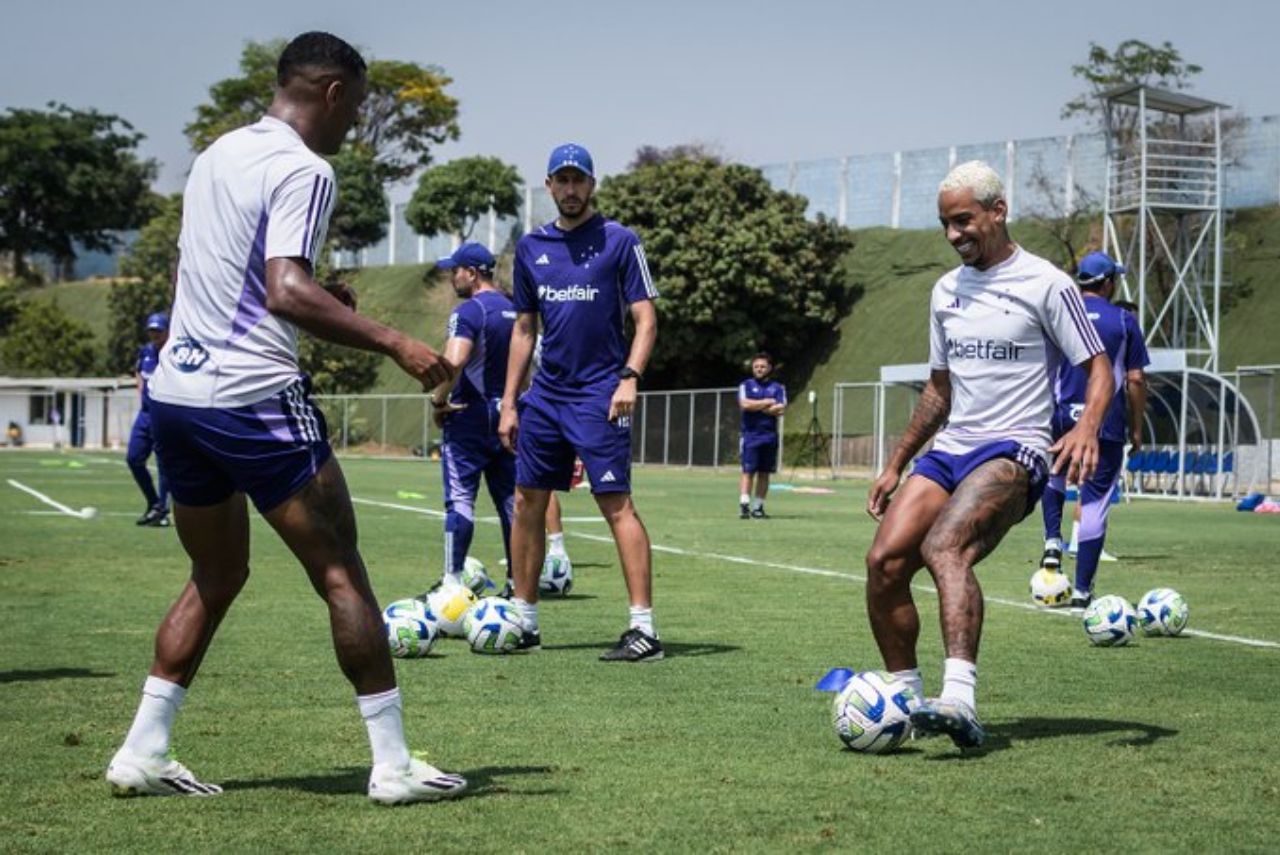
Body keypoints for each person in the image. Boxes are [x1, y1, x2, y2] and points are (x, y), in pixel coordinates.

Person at [105, 32, 466, 805]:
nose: (354, 125)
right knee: (340, 570)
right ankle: (394, 765)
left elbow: (223, 273)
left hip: (177, 394)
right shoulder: (306, 167)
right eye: (357, 108)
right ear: (333, 94)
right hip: (253, 399)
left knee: (217, 571)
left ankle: (142, 749)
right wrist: (400, 341)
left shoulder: (215, 155)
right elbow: (282, 289)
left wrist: (321, 300)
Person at [864, 161, 1114, 748]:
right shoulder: (945, 291)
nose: (954, 235)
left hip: (1015, 448)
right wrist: (897, 461)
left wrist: (1089, 429)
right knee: (885, 563)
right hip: (951, 448)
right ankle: (905, 696)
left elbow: (1097, 365)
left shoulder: (1046, 283)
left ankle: (960, 701)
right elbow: (938, 389)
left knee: (945, 547)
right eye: (946, 225)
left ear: (997, 211)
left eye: (963, 220)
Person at [498, 142, 663, 662]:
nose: (570, 189)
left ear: (592, 185)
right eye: (561, 180)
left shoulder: (621, 241)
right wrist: (509, 402)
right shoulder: (531, 248)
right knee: (528, 501)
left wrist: (629, 377)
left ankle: (644, 630)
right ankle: (524, 619)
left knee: (616, 505)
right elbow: (524, 329)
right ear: (548, 186)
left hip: (599, 393)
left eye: (579, 180)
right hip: (545, 396)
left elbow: (646, 318)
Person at [1039, 252, 1149, 605]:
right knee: (1095, 502)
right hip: (1104, 422)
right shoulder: (1123, 320)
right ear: (1107, 282)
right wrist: (1136, 429)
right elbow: (1135, 379)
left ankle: (1052, 539)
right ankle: (1083, 591)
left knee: (1054, 477)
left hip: (1058, 417)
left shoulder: (1060, 315)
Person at [428, 242, 516, 591]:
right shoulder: (513, 309)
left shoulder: (469, 312)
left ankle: (451, 584)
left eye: (455, 270)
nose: (452, 277)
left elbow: (455, 360)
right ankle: (517, 586)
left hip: (470, 415)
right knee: (511, 503)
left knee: (461, 499)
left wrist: (439, 401)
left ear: (472, 273)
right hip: (510, 413)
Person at [128, 312, 172, 527]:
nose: (154, 334)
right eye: (151, 330)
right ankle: (154, 502)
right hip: (145, 414)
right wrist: (140, 390)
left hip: (164, 415)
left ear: (168, 331)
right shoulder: (146, 351)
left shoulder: (174, 352)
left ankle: (162, 510)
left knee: (164, 465)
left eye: (159, 330)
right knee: (133, 459)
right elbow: (138, 371)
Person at [737, 352, 786, 519]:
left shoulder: (778, 387)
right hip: (750, 436)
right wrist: (766, 403)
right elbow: (745, 404)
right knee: (748, 471)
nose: (759, 369)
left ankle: (758, 507)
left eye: (763, 366)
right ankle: (744, 505)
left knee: (764, 473)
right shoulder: (746, 385)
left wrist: (756, 406)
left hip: (769, 436)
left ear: (769, 368)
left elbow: (780, 408)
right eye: (756, 366)